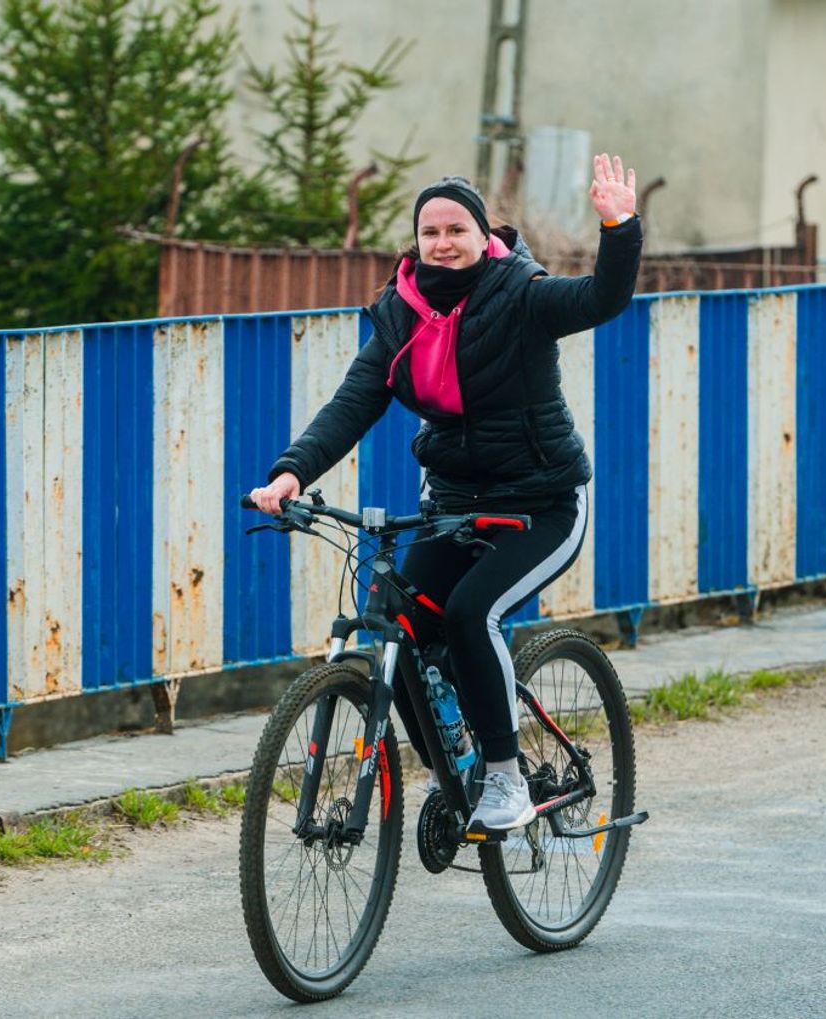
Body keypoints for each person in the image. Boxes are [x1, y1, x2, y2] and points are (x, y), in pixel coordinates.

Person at [249, 154, 641, 833]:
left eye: (456, 229)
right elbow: (351, 404)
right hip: (454, 504)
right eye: (430, 231)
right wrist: (292, 473)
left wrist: (619, 227)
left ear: (484, 236)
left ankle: (505, 777)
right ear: (416, 241)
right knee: (396, 623)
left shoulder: (522, 295)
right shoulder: (402, 315)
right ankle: (450, 768)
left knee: (468, 613)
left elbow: (600, 300)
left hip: (541, 505)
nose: (442, 242)